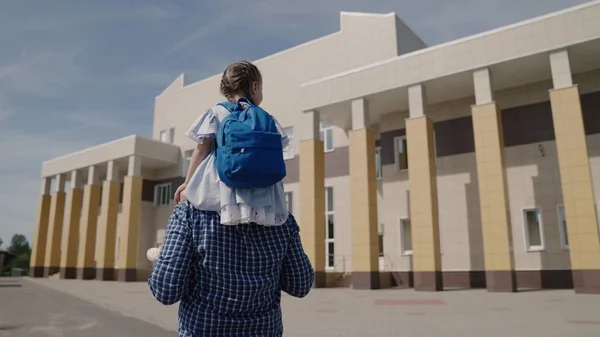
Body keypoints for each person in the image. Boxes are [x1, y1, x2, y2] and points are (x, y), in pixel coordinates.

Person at [148, 60, 315, 337]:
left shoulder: (191, 215)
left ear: (227, 88)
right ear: (255, 86)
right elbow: (300, 284)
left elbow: (201, 151)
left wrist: (187, 184)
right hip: (267, 203)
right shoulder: (269, 121)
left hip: (205, 327)